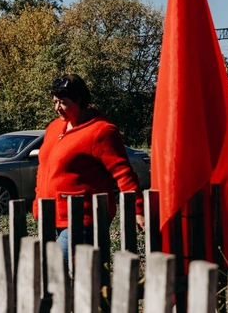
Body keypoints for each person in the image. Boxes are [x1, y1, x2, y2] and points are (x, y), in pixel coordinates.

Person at [32, 74, 145, 263]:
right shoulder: (54, 127)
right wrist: (37, 203)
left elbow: (123, 173)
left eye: (63, 103)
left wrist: (137, 209)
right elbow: (43, 169)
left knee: (58, 270)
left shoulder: (101, 131)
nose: (57, 108)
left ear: (80, 101)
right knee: (63, 276)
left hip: (83, 219)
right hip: (50, 215)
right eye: (55, 102)